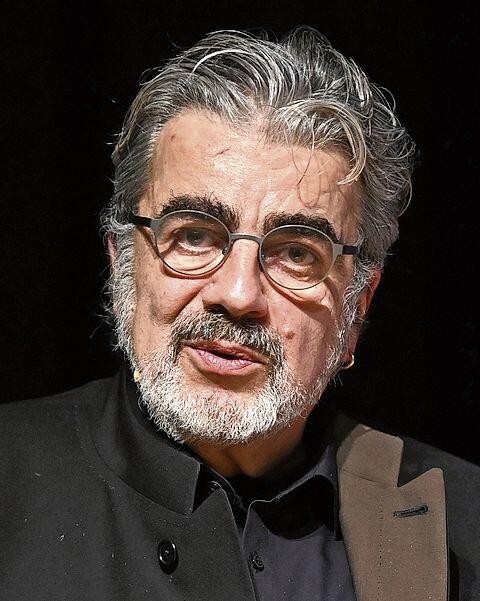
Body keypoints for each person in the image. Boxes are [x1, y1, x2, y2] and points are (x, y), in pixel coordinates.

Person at [0, 27, 478, 601]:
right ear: (123, 264)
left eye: (297, 253)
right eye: (194, 236)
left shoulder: (465, 523)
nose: (238, 293)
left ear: (358, 308)